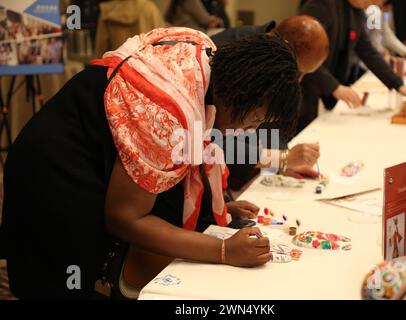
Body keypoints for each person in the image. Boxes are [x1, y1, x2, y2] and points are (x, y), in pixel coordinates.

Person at [0, 27, 301, 299]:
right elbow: (125, 219)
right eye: (254, 121)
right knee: (60, 283)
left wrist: (214, 207)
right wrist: (223, 250)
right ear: (242, 95)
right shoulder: (169, 114)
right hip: (55, 173)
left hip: (64, 137)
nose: (248, 132)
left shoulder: (203, 52)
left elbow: (174, 163)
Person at [210, 16, 329, 191]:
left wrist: (283, 163)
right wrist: (280, 158)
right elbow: (208, 140)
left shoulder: (270, 60)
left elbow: (270, 122)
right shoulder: (228, 57)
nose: (299, 80)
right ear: (283, 49)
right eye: (299, 71)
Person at [299, 0, 406, 132]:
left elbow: (367, 51)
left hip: (323, 92)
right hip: (304, 89)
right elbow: (303, 52)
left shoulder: (356, 12)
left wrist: (397, 83)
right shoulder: (321, 4)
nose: (373, 5)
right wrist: (334, 87)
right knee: (285, 142)